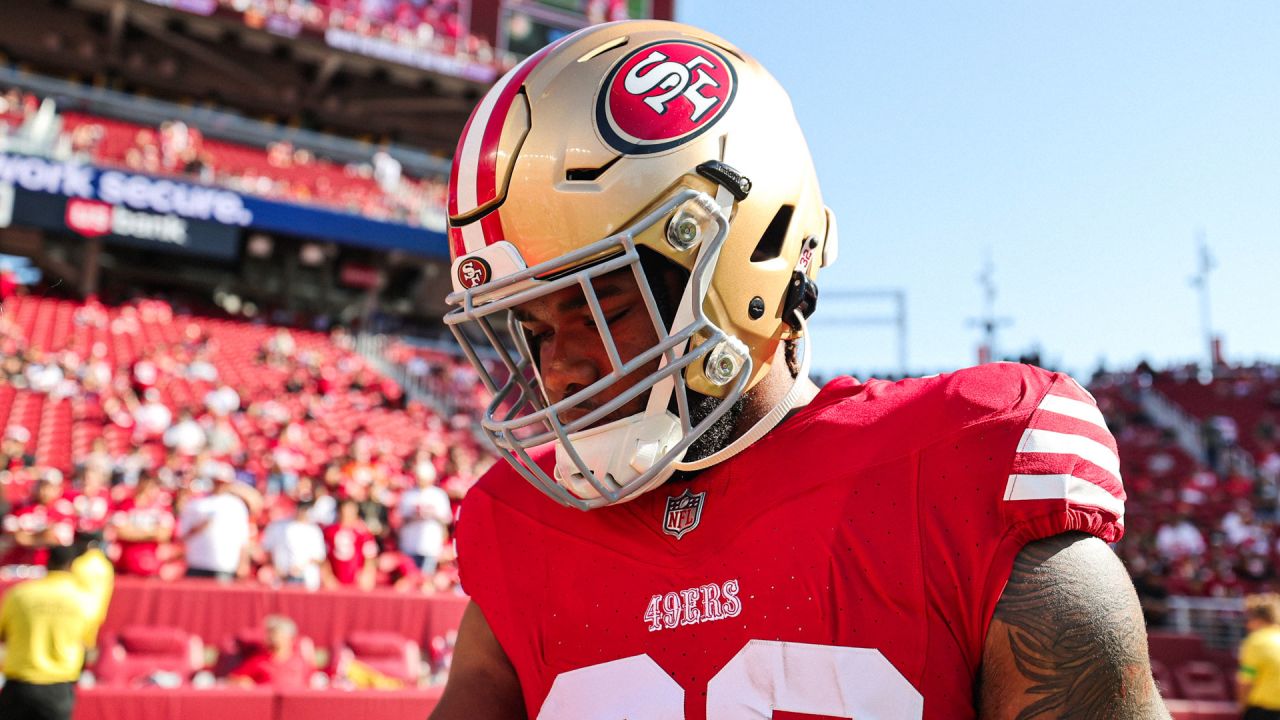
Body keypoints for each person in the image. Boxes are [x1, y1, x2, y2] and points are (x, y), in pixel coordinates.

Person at [429, 20, 1167, 720]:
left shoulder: (963, 466)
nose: (556, 371)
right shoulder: (519, 532)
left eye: (598, 308)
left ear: (750, 254)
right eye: (532, 328)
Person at [0, 544, 97, 720]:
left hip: (19, 685)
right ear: (71, 566)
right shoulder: (84, 600)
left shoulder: (18, 595)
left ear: (47, 563)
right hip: (58, 687)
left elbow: (3, 635)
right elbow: (86, 643)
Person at [177, 463, 251, 581]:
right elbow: (182, 535)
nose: (220, 486)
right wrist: (199, 527)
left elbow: (243, 538)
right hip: (197, 563)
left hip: (225, 565)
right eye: (217, 482)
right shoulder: (196, 503)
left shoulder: (236, 505)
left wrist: (243, 563)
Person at [226, 615, 312, 689]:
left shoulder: (300, 662)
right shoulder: (259, 661)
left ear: (289, 638)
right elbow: (233, 679)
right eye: (269, 634)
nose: (271, 638)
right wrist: (244, 682)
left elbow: (311, 682)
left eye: (275, 634)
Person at [1239, 593, 1280, 719]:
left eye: (1248, 619)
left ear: (1258, 619)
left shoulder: (1255, 642)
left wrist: (1242, 708)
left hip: (1262, 712)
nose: (1247, 625)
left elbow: (1246, 681)